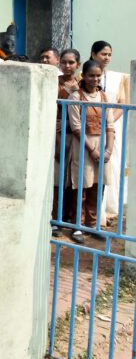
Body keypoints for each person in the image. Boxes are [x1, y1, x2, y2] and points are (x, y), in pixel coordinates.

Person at [68, 60, 114, 244]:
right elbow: (76, 127)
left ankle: (93, 224)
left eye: (98, 75)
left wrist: (108, 149)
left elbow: (110, 126)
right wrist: (92, 150)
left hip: (102, 146)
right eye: (91, 75)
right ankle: (77, 225)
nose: (94, 79)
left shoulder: (104, 97)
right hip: (84, 146)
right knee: (81, 185)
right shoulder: (76, 97)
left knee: (98, 185)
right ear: (84, 75)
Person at [89, 41, 129, 218]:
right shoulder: (86, 76)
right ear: (93, 54)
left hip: (113, 127)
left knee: (113, 163)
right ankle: (94, 211)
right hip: (93, 127)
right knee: (93, 165)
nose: (107, 58)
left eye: (109, 54)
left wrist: (109, 121)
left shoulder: (118, 78)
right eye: (103, 54)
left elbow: (123, 103)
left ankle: (110, 208)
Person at [53, 49, 80, 237]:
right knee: (57, 177)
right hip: (56, 133)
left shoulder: (82, 84)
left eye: (71, 62)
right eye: (64, 62)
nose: (67, 66)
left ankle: (72, 219)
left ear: (77, 64)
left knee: (73, 178)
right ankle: (55, 218)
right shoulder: (54, 83)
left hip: (76, 134)